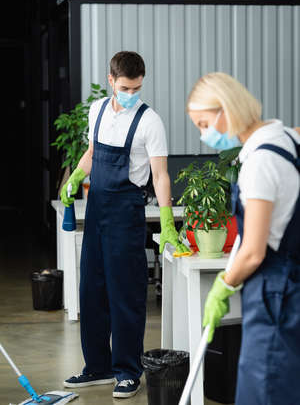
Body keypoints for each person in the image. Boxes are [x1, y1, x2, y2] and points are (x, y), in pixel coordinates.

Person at [60, 51, 188, 399]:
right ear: (112, 80)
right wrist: (73, 179)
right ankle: (97, 367)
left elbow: (160, 176)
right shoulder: (98, 110)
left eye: (138, 87)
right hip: (97, 212)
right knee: (92, 291)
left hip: (126, 216)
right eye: (127, 87)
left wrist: (167, 217)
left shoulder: (150, 122)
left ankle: (128, 371)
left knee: (125, 296)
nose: (132, 93)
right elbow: (91, 154)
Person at [186, 72, 300, 405]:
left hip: (274, 295)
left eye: (204, 123)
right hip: (290, 287)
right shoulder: (285, 136)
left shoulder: (260, 161)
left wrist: (223, 285)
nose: (203, 134)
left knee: (264, 390)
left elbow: (253, 252)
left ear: (226, 109)